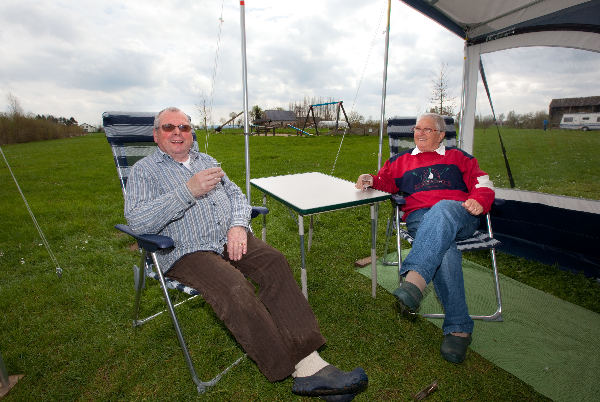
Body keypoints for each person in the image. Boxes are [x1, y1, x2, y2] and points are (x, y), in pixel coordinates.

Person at [124, 107, 367, 399]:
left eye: (184, 127)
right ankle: (289, 367)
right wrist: (188, 191)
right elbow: (137, 221)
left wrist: (238, 226)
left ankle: (310, 360)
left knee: (274, 262)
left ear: (192, 133)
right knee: (235, 288)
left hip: (229, 238)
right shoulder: (144, 171)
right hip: (186, 251)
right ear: (156, 135)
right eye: (168, 127)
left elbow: (238, 197)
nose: (177, 132)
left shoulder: (208, 161)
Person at [355, 113, 495, 364]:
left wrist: (479, 200)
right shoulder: (401, 160)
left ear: (441, 135)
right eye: (417, 129)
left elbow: (484, 184)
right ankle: (458, 328)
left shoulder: (460, 158)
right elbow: (384, 182)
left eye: (427, 130)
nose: (419, 133)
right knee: (446, 250)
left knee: (442, 208)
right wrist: (369, 179)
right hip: (420, 218)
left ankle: (415, 281)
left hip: (459, 213)